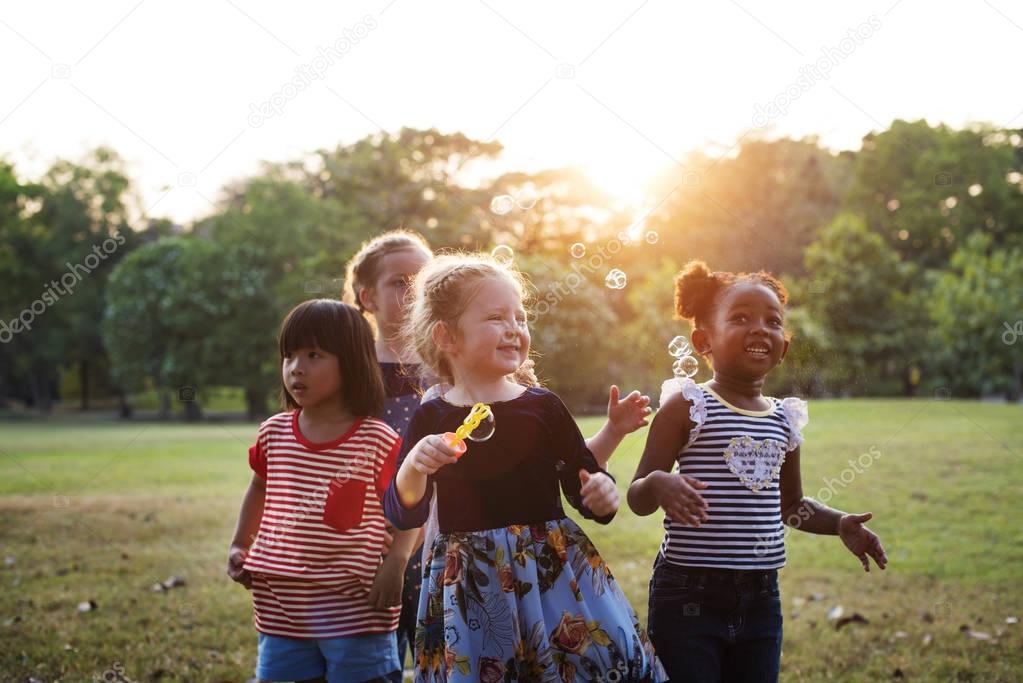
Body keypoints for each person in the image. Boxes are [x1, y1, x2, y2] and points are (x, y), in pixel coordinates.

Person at [383, 253, 666, 681]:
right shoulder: (433, 416)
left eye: (520, 317)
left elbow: (583, 481)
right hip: (471, 580)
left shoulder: (543, 407)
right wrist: (415, 468)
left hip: (551, 570)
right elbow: (404, 508)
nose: (515, 328)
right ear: (446, 336)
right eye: (496, 317)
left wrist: (602, 491)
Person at [628, 260, 888, 682]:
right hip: (688, 595)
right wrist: (658, 483)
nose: (759, 328)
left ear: (782, 348)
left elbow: (793, 506)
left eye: (772, 321)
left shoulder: (784, 420)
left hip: (761, 599)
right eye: (741, 318)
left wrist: (839, 522)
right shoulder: (688, 407)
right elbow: (637, 496)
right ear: (703, 340)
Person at [227, 299, 419, 683]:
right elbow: (259, 489)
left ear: (350, 362)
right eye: (289, 356)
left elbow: (411, 506)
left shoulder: (376, 441)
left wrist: (396, 562)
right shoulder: (274, 433)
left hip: (356, 610)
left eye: (314, 355)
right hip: (281, 609)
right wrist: (240, 543)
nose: (297, 367)